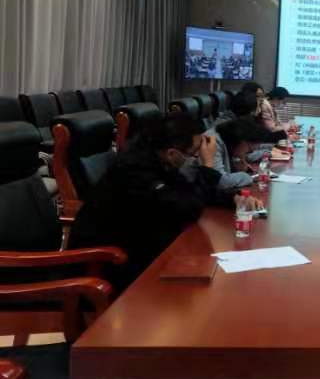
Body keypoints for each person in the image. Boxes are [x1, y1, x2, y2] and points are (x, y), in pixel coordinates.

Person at [70, 113, 235, 286]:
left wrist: (234, 199)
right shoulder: (135, 171)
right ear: (172, 153)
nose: (196, 158)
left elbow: (186, 192)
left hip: (142, 245)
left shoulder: (156, 158)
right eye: (194, 154)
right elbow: (187, 209)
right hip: (108, 263)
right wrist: (207, 165)